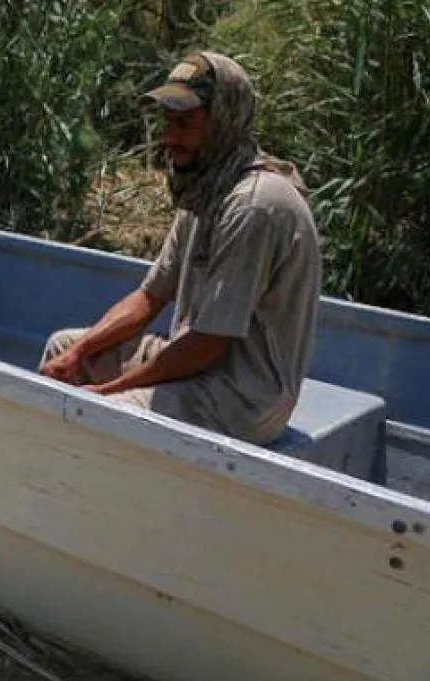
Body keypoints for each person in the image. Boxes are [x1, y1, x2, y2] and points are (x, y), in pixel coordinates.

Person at [39, 51, 323, 446]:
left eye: (184, 123)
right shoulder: (205, 188)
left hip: (244, 397)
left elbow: (207, 342)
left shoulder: (255, 204)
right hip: (200, 367)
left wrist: (109, 391)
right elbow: (149, 298)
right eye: (167, 123)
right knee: (64, 347)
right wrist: (80, 352)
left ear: (223, 121)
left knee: (115, 410)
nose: (169, 138)